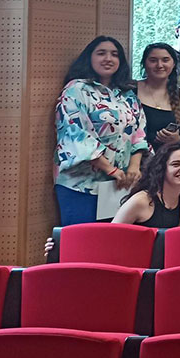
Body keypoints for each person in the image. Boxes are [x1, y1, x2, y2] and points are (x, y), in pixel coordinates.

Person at [54, 36, 148, 225]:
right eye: (101, 53)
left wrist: (134, 167)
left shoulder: (126, 94)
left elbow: (139, 132)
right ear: (89, 57)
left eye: (114, 54)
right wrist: (110, 169)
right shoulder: (76, 89)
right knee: (81, 247)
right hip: (81, 185)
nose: (108, 58)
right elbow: (76, 135)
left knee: (111, 245)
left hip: (119, 185)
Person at [113, 142, 180, 228]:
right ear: (161, 168)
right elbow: (110, 236)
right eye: (176, 164)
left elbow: (177, 239)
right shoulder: (141, 201)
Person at [136, 43, 180, 148]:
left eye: (165, 60)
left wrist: (178, 139)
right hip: (134, 159)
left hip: (167, 159)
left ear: (173, 64)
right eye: (153, 60)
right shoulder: (131, 90)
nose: (159, 65)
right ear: (144, 64)